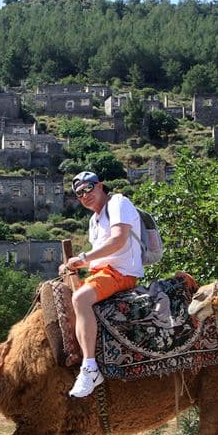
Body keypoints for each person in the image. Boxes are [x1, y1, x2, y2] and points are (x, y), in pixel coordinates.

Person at [59, 171, 144, 398]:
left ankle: (90, 367)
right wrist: (73, 265)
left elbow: (118, 241)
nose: (85, 195)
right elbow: (99, 257)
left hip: (121, 272)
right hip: (102, 273)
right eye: (79, 193)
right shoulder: (93, 221)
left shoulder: (118, 202)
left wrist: (83, 258)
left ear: (100, 186)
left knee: (81, 299)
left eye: (89, 188)